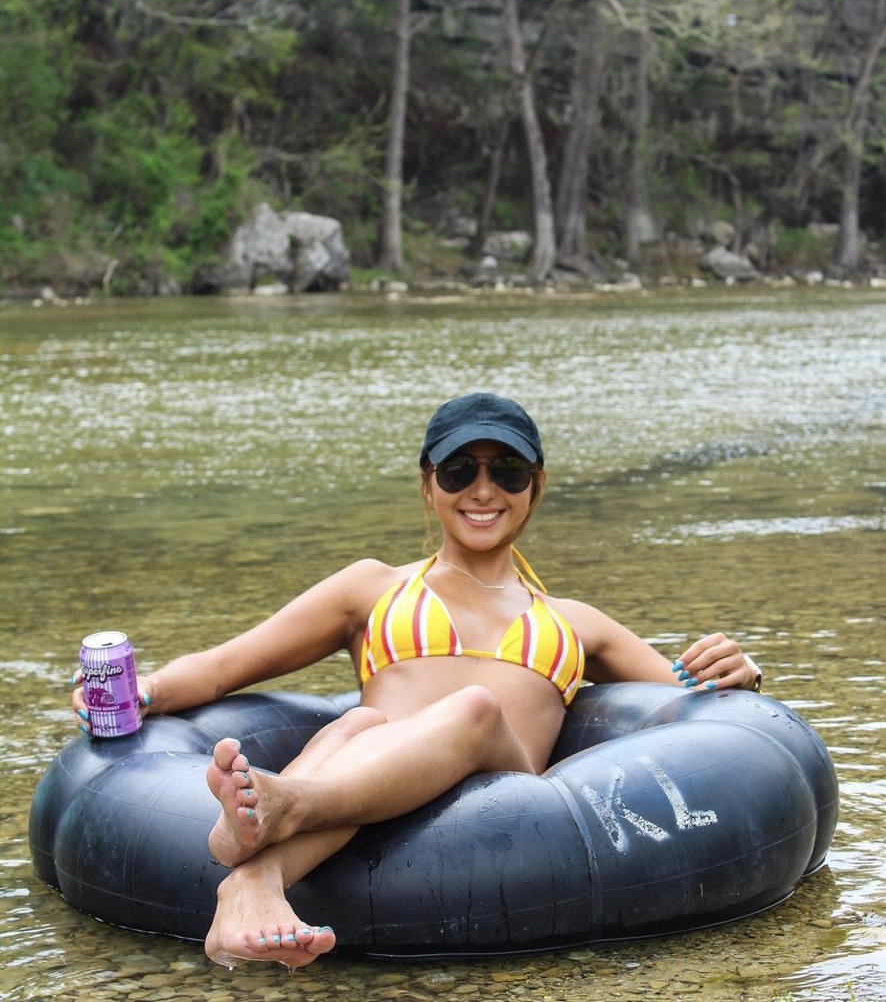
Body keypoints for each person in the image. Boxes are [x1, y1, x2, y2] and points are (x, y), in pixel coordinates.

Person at [71, 392, 762, 970]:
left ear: (537, 485)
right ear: (428, 484)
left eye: (508, 472)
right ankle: (250, 884)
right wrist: (142, 692)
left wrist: (739, 674)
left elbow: (692, 709)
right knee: (360, 724)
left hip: (503, 783)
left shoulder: (577, 622)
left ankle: (283, 805)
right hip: (378, 771)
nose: (483, 491)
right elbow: (226, 664)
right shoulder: (373, 589)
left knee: (474, 708)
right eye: (460, 471)